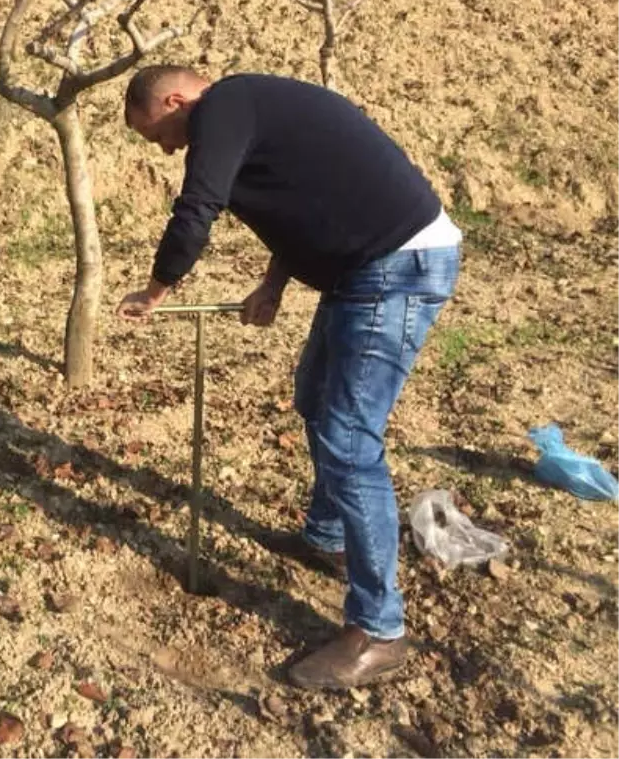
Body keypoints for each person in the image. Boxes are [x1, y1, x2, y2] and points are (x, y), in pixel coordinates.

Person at [118, 66, 462, 689]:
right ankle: (328, 537)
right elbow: (304, 199)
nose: (169, 149)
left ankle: (381, 631)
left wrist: (156, 289)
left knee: (350, 442)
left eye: (160, 135)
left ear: (176, 101)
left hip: (396, 265)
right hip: (364, 266)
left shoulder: (222, 107)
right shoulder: (249, 109)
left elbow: (198, 208)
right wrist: (273, 285)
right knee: (315, 401)